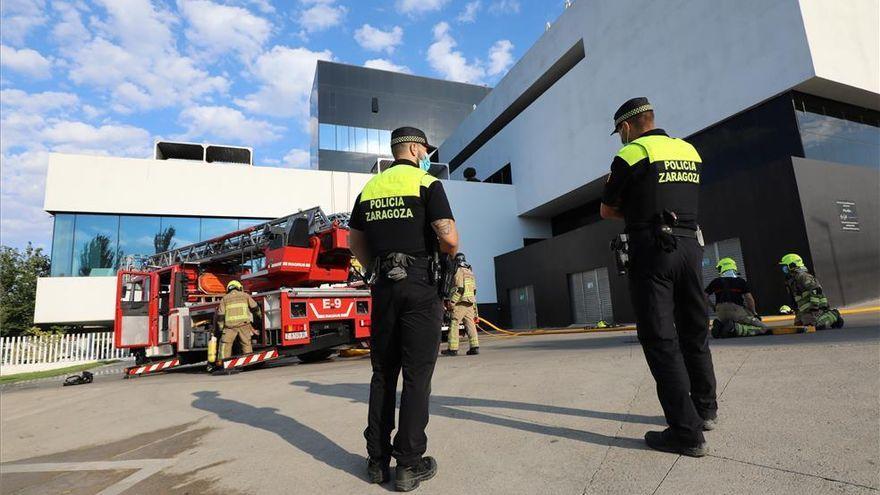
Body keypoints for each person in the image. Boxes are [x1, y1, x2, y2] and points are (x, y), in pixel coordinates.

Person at [600, 97, 717, 457]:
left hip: (652, 249)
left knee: (660, 338)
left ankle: (686, 433)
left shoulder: (632, 154)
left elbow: (607, 209)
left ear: (625, 127)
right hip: (691, 245)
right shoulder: (688, 150)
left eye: (619, 132)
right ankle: (705, 408)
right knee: (695, 329)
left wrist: (638, 211)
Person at [348, 126, 459, 492]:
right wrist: (444, 262)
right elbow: (448, 237)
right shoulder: (427, 183)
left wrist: (373, 269)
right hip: (419, 283)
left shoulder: (370, 188)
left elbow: (355, 241)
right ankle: (409, 464)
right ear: (413, 148)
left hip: (383, 286)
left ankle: (377, 462)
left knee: (383, 373)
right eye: (425, 148)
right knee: (416, 375)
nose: (426, 154)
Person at [705, 258, 770, 338]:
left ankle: (721, 327)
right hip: (736, 312)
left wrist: (713, 307)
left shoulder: (715, 281)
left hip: (720, 313)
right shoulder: (740, 281)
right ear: (733, 267)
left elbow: (704, 296)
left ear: (722, 268)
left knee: (732, 321)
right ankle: (736, 328)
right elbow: (749, 299)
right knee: (764, 328)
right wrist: (754, 313)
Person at [779, 253, 844, 329]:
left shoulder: (803, 276)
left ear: (792, 265)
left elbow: (816, 290)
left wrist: (814, 307)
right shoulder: (791, 280)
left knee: (815, 325)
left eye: (785, 266)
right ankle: (814, 317)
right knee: (799, 325)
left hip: (816, 307)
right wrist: (794, 310)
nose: (783, 269)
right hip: (805, 310)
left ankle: (834, 314)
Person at [442, 253, 480, 356]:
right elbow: (474, 290)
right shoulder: (470, 272)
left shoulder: (459, 271)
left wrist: (452, 302)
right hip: (470, 303)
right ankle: (474, 347)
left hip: (460, 302)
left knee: (454, 323)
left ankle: (453, 349)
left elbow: (459, 288)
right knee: (470, 324)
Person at [216, 280, 261, 360]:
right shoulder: (245, 295)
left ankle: (223, 364)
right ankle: (248, 362)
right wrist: (260, 317)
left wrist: (220, 327)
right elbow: (255, 307)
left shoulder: (224, 299)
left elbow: (221, 315)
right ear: (239, 287)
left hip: (230, 327)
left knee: (225, 344)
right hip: (244, 325)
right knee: (246, 344)